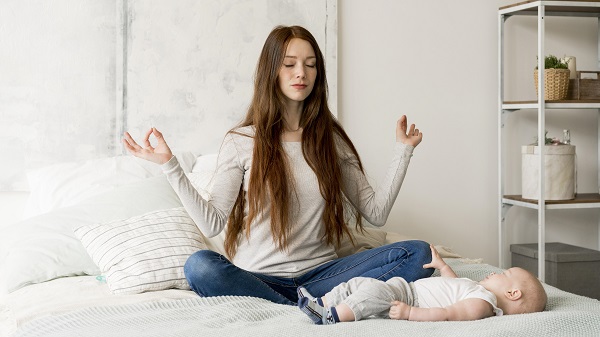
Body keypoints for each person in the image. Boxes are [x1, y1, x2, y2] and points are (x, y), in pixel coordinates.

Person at [122, 25, 432, 306]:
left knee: (419, 253)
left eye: (310, 65)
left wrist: (403, 151)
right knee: (199, 266)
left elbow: (375, 213)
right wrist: (170, 165)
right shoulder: (241, 141)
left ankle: (299, 306)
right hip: (257, 279)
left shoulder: (330, 141)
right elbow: (212, 223)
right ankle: (298, 311)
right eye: (290, 64)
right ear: (272, 70)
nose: (302, 73)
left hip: (322, 278)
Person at [298, 245, 547, 324]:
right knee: (359, 283)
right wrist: (442, 266)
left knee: (372, 293)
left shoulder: (483, 305)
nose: (495, 273)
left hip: (408, 299)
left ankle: (334, 317)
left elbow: (449, 313)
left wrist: (410, 313)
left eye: (503, 273)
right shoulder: (478, 291)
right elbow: (454, 284)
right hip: (405, 289)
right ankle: (322, 302)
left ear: (513, 293)